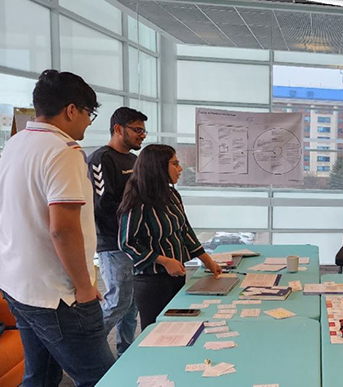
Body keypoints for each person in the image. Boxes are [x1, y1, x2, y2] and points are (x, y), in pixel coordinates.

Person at [0, 70, 114, 386]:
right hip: (57, 296)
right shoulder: (63, 152)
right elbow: (63, 229)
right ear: (71, 110)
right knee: (105, 378)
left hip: (18, 286)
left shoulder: (16, 143)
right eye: (89, 113)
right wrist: (84, 288)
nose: (89, 122)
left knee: (40, 378)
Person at [118, 144, 222, 330]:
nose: (180, 169)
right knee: (155, 332)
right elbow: (127, 243)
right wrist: (164, 261)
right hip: (152, 282)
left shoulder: (172, 194)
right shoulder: (138, 200)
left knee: (178, 328)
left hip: (176, 276)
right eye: (175, 164)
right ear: (158, 167)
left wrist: (207, 261)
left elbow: (184, 231)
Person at [87, 107, 147, 356]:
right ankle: (85, 352)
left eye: (143, 131)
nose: (142, 136)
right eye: (137, 130)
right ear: (118, 129)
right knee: (117, 301)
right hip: (113, 243)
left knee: (131, 305)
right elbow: (102, 204)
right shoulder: (101, 158)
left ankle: (125, 352)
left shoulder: (134, 161)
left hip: (134, 243)